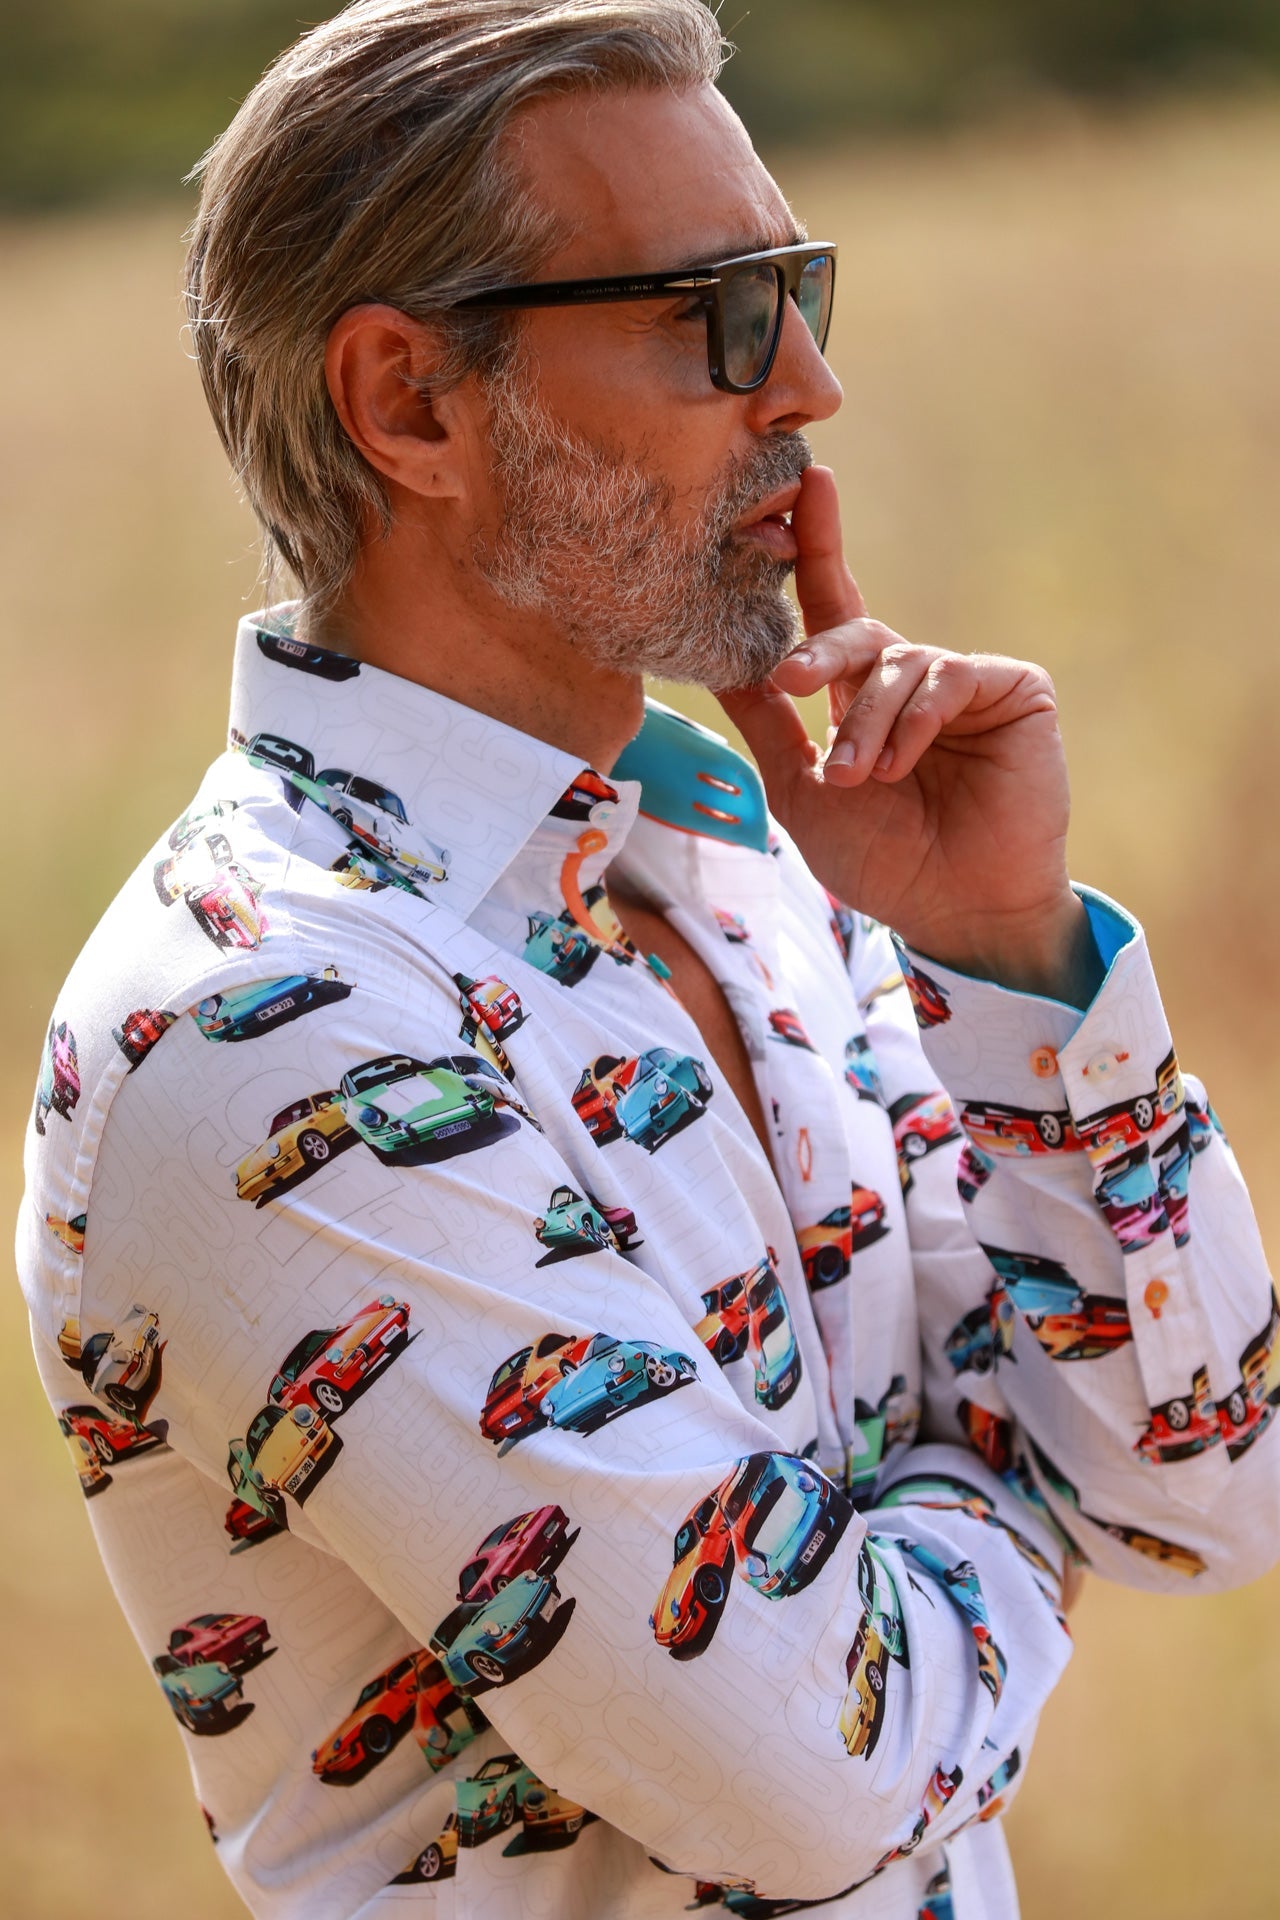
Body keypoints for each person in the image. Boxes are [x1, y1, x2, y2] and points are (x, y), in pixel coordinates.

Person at [17, 3, 1280, 1915]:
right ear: (410, 405)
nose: (813, 389)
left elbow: (1206, 1485)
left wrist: (1005, 951)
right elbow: (825, 1781)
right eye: (721, 313)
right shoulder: (262, 1026)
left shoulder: (741, 853)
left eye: (801, 288)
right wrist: (996, 1483)